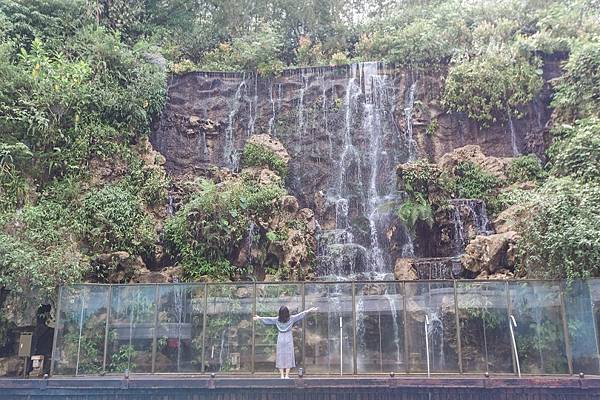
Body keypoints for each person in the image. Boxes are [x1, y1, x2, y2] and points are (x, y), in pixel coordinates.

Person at [254, 305, 318, 379]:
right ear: (287, 313)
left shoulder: (277, 320)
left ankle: (282, 375)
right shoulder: (292, 319)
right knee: (288, 355)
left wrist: (259, 318)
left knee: (280, 356)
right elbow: (301, 314)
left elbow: (268, 319)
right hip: (288, 338)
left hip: (280, 338)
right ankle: (287, 375)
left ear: (280, 313)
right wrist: (310, 310)